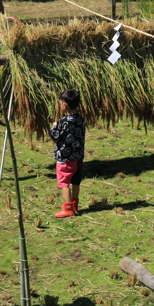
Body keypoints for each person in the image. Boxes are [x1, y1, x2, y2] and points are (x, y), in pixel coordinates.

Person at [50, 89, 86, 218]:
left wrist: (54, 126)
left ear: (64, 104)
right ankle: (75, 204)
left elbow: (55, 137)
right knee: (75, 180)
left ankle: (68, 207)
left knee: (64, 182)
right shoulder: (80, 119)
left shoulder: (63, 122)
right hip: (78, 155)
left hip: (65, 157)